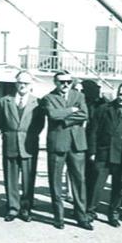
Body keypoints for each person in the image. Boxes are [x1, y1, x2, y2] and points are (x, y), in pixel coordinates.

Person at [40, 70, 92, 230]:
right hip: (57, 144)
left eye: (68, 82)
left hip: (77, 144)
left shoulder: (79, 96)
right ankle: (59, 217)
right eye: (62, 82)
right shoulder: (48, 97)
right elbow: (53, 115)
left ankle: (81, 216)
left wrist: (65, 120)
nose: (65, 85)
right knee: (55, 181)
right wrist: (71, 111)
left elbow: (84, 114)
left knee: (79, 181)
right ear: (55, 83)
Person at [86, 83, 122, 227]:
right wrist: (92, 151)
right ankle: (90, 212)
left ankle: (113, 214)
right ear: (116, 93)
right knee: (96, 186)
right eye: (120, 94)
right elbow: (93, 131)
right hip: (104, 153)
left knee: (119, 189)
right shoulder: (104, 109)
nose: (121, 98)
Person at [0, 70, 43, 222]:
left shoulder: (37, 102)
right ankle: (12, 208)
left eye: (26, 83)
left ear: (31, 85)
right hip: (10, 142)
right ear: (16, 83)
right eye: (20, 82)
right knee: (10, 178)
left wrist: (28, 136)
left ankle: (25, 208)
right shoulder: (5, 101)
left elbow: (39, 124)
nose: (23, 85)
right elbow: (0, 121)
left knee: (28, 179)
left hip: (28, 145)